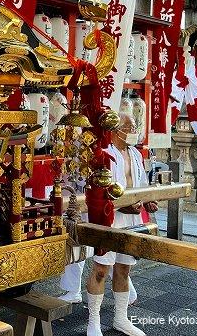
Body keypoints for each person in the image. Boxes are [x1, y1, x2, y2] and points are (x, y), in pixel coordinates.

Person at [86, 112, 155, 336]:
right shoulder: (104, 155)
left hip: (132, 218)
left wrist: (148, 202)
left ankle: (121, 318)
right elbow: (96, 194)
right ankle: (93, 321)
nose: (135, 131)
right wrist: (120, 206)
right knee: (100, 269)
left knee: (124, 269)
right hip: (109, 218)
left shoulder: (135, 153)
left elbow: (141, 185)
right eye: (131, 126)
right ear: (116, 130)